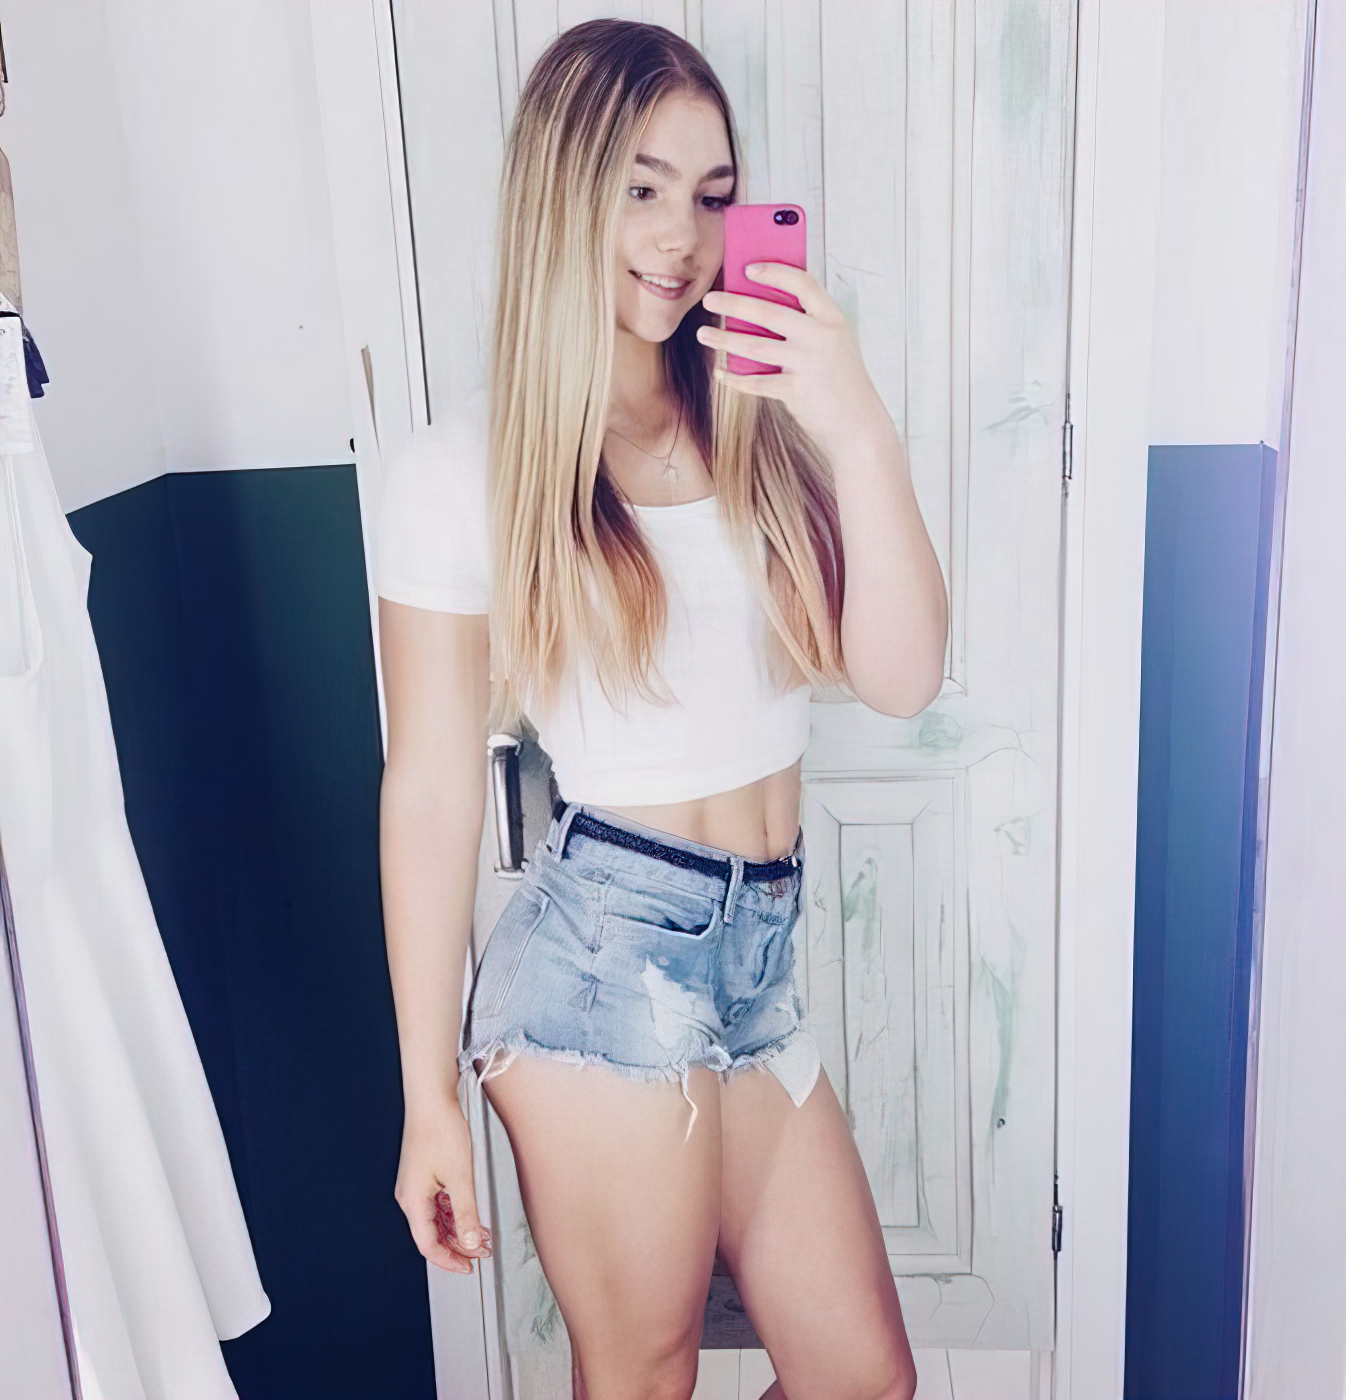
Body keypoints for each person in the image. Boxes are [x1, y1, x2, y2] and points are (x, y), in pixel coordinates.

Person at [376, 19, 946, 1400]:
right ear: (562, 192)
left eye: (710, 193)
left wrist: (857, 422)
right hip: (601, 965)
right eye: (640, 187)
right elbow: (431, 790)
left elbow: (901, 677)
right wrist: (425, 1096)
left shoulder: (764, 422)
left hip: (759, 960)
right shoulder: (459, 470)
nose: (680, 236)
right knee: (644, 1376)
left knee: (863, 1380)